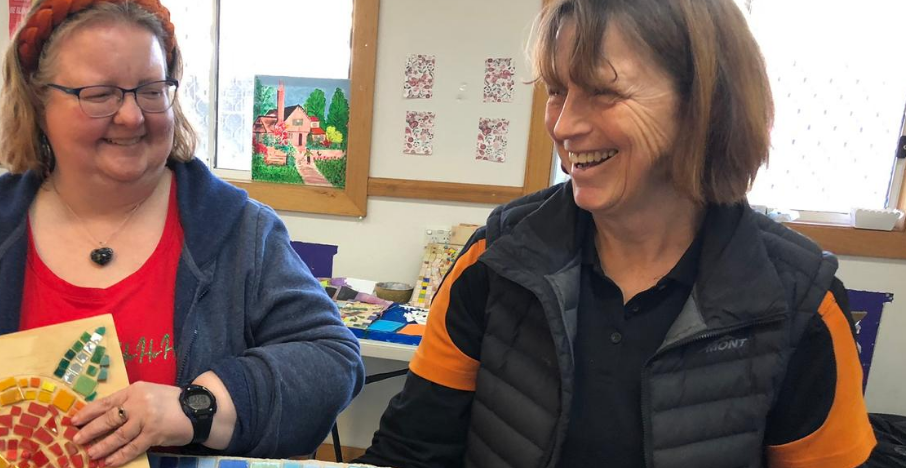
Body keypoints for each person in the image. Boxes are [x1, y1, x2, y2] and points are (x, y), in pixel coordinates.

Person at [355, 0, 876, 467]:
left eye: (604, 91)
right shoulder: (496, 258)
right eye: (557, 91)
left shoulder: (797, 300)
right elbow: (410, 451)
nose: (563, 126)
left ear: (705, 104)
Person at [0, 0, 363, 465]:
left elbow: (332, 362)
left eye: (151, 90)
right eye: (100, 94)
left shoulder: (239, 232)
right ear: (37, 101)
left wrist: (197, 407)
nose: (132, 116)